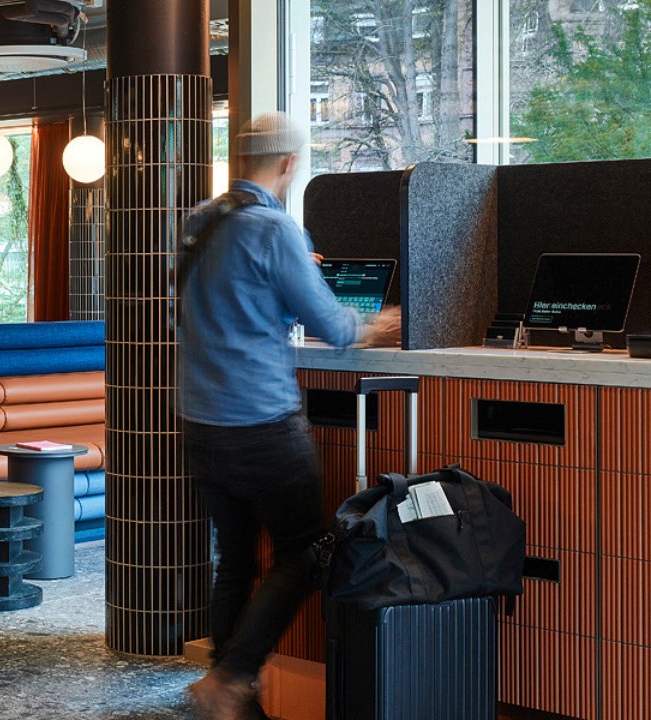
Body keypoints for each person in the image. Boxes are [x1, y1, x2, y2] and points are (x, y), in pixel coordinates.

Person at [179, 113, 400, 720]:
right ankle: (232, 678)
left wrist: (290, 276)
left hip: (202, 420)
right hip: (260, 420)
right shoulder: (275, 230)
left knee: (236, 560)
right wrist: (379, 324)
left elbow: (203, 307)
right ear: (288, 164)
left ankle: (229, 694)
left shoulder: (200, 220)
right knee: (305, 550)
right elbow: (334, 327)